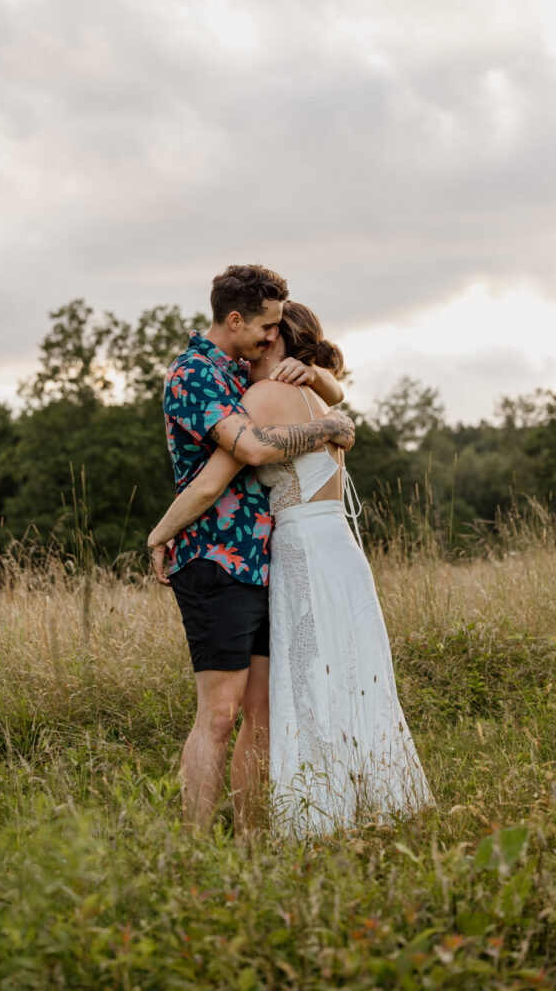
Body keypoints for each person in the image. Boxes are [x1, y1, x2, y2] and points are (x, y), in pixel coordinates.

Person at [149, 299, 435, 836]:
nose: (260, 343)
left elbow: (212, 481)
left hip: (299, 550)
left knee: (301, 687)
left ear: (280, 345)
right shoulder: (321, 404)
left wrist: (159, 533)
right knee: (342, 681)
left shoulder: (261, 396)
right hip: (341, 550)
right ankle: (351, 806)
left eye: (269, 334)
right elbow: (336, 402)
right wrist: (330, 392)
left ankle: (305, 816)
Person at [153, 266, 355, 833]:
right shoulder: (192, 375)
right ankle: (192, 844)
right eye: (265, 326)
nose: (271, 337)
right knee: (218, 715)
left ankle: (250, 841)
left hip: (265, 560)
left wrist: (320, 381)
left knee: (261, 716)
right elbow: (248, 454)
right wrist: (160, 533)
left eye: (276, 330)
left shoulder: (240, 369)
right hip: (216, 558)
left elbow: (332, 383)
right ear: (235, 319)